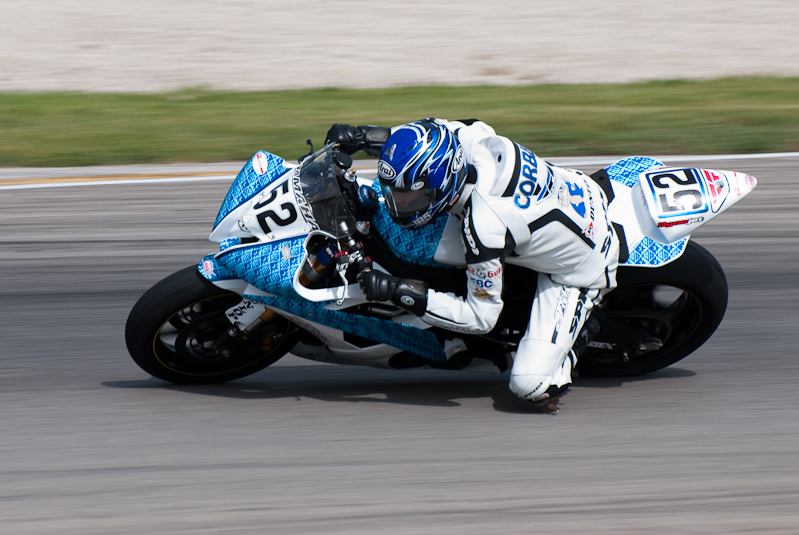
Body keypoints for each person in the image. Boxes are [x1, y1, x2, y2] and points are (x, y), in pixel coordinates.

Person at [325, 119, 619, 410]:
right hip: (578, 190)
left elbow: (481, 317)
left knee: (530, 385)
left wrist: (398, 291)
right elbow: (424, 135)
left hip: (580, 266)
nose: (398, 203)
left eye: (411, 196)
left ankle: (579, 338)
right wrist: (363, 136)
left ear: (441, 184)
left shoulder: (483, 226)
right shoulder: (467, 140)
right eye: (394, 192)